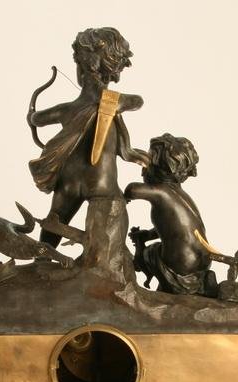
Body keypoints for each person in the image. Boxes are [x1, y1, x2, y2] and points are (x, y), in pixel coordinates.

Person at [28, 27, 148, 249]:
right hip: (102, 184)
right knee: (106, 249)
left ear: (82, 67)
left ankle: (42, 258)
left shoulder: (67, 109)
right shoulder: (116, 101)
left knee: (53, 226)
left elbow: (36, 119)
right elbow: (137, 100)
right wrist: (116, 103)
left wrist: (32, 115)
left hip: (68, 184)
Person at [124, 133, 218, 296]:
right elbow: (175, 229)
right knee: (155, 249)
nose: (143, 170)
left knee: (148, 254)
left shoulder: (162, 192)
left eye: (147, 162)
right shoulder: (180, 194)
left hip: (183, 264)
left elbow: (132, 190)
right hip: (201, 261)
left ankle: (138, 274)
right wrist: (148, 234)